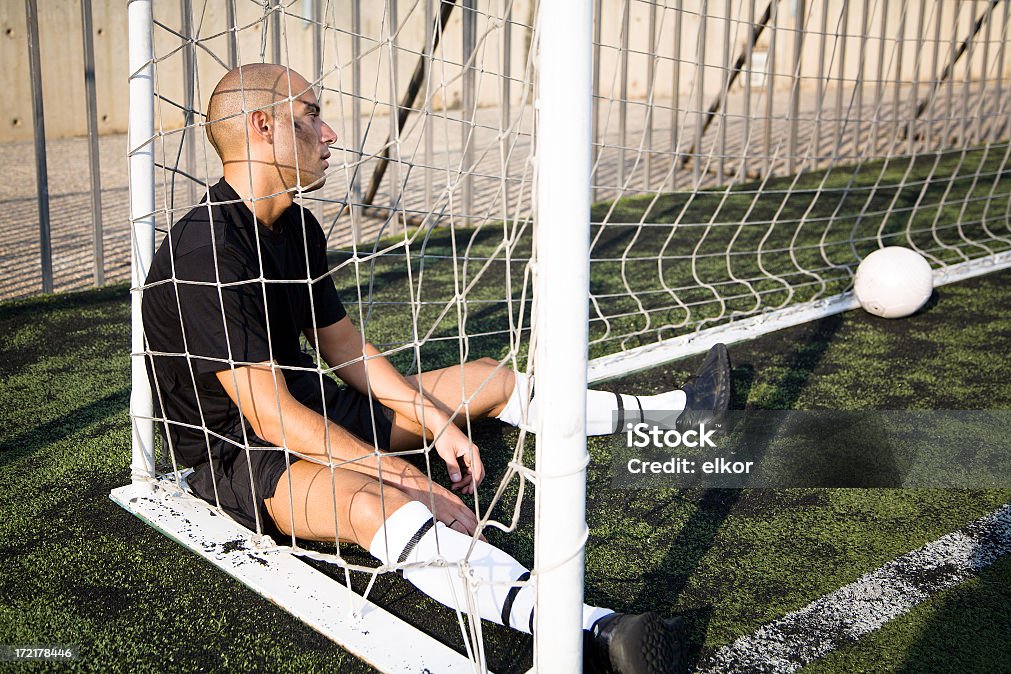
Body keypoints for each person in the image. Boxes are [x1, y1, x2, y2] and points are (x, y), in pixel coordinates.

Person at [142, 63, 731, 674]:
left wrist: (432, 419)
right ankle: (594, 629)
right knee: (381, 504)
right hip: (242, 457)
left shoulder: (295, 226)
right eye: (311, 115)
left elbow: (346, 350)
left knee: (488, 378)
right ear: (263, 126)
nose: (330, 133)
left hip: (311, 411)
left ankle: (672, 414)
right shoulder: (206, 248)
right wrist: (408, 475)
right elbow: (271, 418)